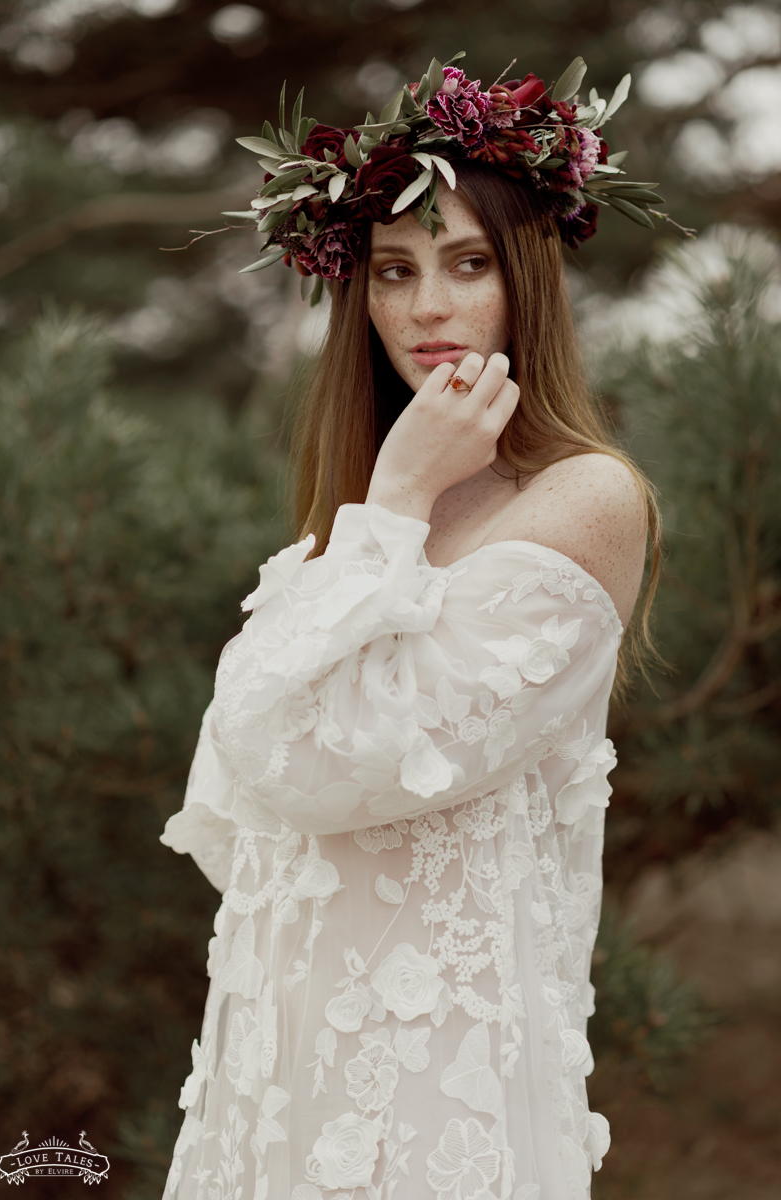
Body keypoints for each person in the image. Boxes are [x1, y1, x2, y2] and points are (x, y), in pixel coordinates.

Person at [160, 57, 667, 1200]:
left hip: (439, 1090)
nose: (427, 308)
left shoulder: (581, 501)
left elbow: (304, 758)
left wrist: (387, 508)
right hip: (274, 1069)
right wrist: (386, 507)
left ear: (526, 278)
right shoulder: (349, 527)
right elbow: (235, 796)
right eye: (393, 271)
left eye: (467, 263)